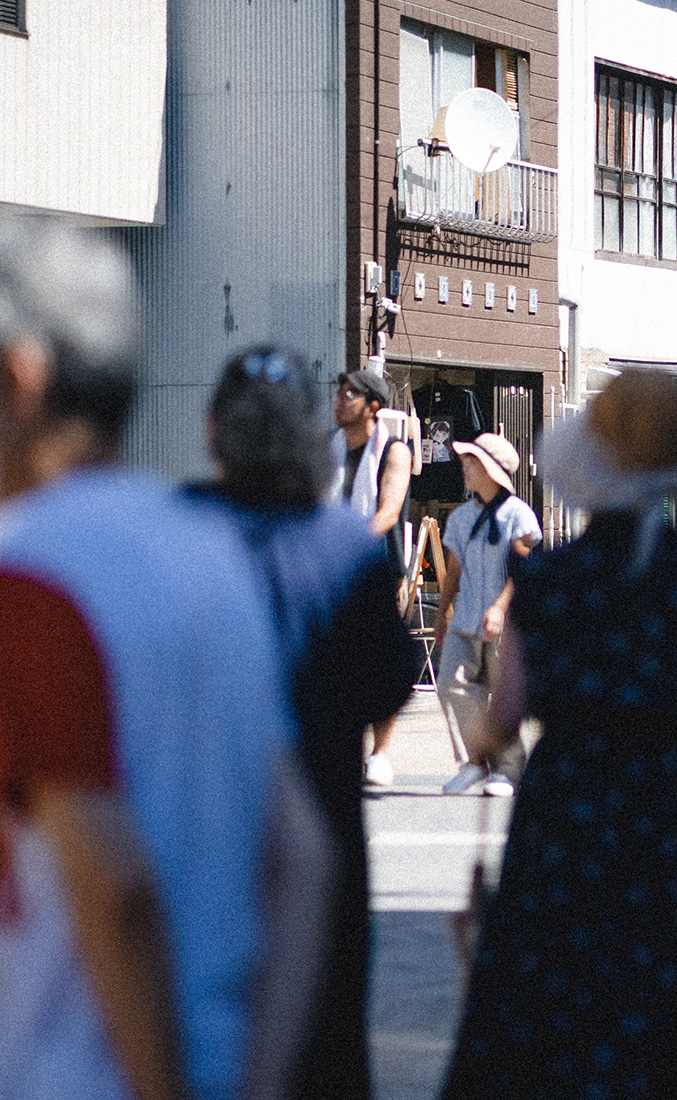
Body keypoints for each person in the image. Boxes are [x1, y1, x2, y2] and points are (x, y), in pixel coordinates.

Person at [0, 214, 327, 1100]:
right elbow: (300, 861)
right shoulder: (211, 554)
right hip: (223, 1061)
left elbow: (112, 880)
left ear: (21, 379)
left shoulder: (27, 575)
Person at [440, 367, 677, 1100]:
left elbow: (500, 721)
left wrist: (474, 731)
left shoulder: (551, 580)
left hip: (566, 815)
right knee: (670, 1016)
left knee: (555, 1017)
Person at [188, 347, 416, 1100]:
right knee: (327, 1050)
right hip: (326, 836)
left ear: (212, 432)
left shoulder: (174, 535)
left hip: (195, 843)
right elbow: (389, 687)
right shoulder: (346, 551)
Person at [437, 433, 541, 796]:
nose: (464, 469)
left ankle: (509, 769)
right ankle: (475, 762)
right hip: (465, 618)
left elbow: (522, 569)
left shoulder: (518, 514)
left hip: (506, 624)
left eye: (472, 463)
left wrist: (499, 607)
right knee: (452, 684)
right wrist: (441, 613)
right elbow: (453, 569)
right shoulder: (461, 517)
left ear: (492, 470)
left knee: (502, 695)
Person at [334, 367, 414, 787]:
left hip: (376, 566)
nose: (341, 398)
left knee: (378, 662)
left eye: (352, 393)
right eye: (341, 390)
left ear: (373, 407)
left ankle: (380, 753)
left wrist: (344, 543)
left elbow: (388, 511)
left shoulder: (393, 449)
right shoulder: (326, 448)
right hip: (329, 568)